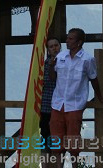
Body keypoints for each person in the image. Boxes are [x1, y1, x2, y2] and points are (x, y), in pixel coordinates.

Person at [51, 28, 103, 164]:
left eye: (71, 39)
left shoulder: (87, 59)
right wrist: (50, 65)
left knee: (73, 143)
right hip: (58, 103)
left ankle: (74, 165)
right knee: (56, 142)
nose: (67, 41)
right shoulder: (60, 57)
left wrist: (100, 97)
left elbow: (94, 79)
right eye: (67, 38)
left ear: (79, 42)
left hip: (75, 104)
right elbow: (53, 77)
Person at [41, 37, 61, 167]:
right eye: (51, 46)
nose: (54, 48)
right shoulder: (44, 65)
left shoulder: (66, 63)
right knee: (46, 140)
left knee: (59, 141)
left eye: (56, 45)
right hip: (47, 106)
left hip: (60, 107)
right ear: (48, 50)